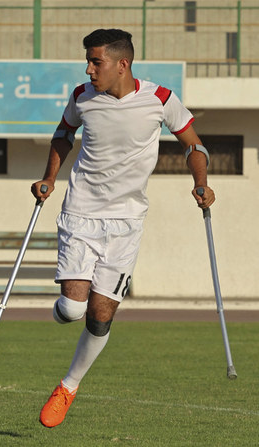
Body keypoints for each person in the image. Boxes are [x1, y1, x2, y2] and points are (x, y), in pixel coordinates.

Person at [31, 29, 215, 428]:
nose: (89, 68)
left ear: (122, 64)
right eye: (88, 60)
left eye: (96, 61)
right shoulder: (82, 96)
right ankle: (62, 311)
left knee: (99, 316)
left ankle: (68, 386)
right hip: (81, 212)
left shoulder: (161, 99)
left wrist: (200, 182)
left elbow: (194, 145)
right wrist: (49, 176)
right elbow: (64, 134)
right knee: (73, 309)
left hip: (127, 222)